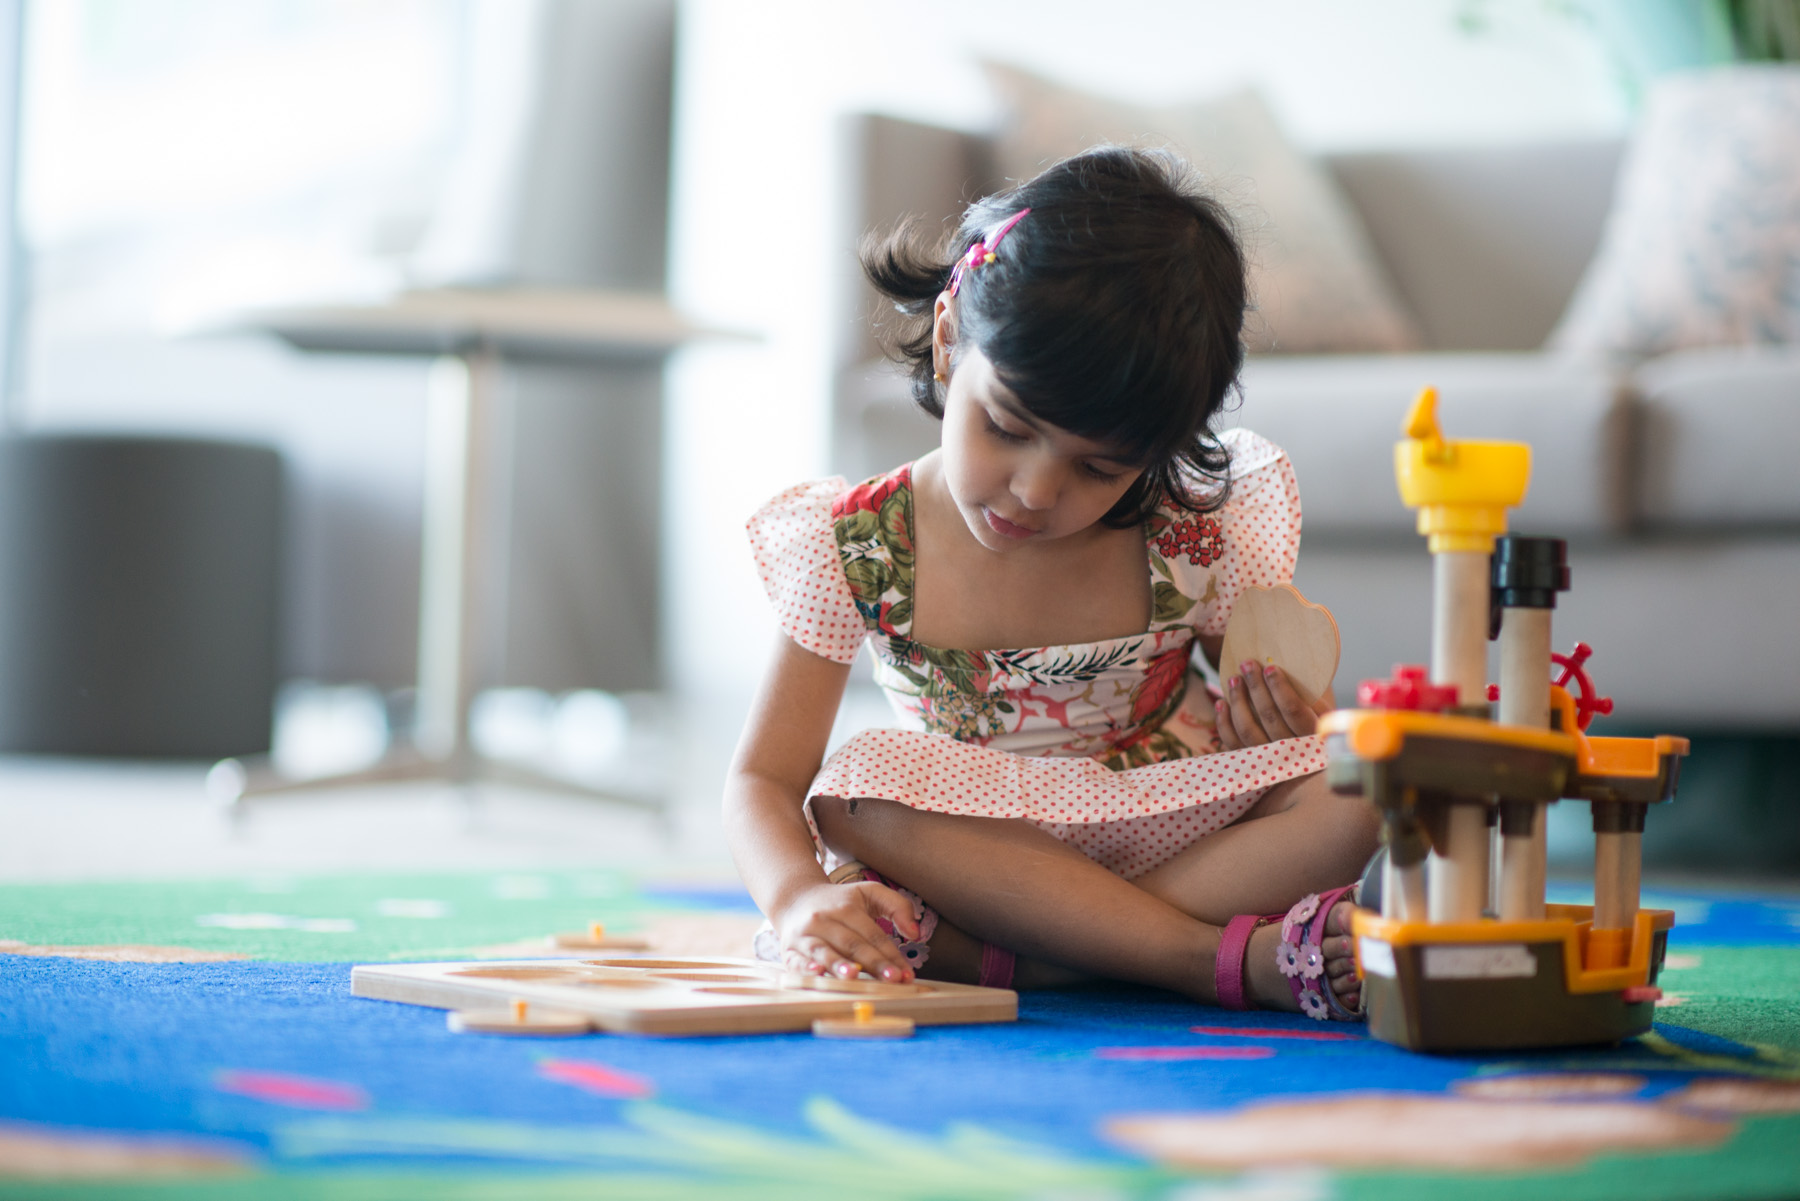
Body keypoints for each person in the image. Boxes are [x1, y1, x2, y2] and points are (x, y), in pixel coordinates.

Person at [724, 146, 1380, 1020]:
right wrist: (798, 898)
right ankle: (1206, 958)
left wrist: (1296, 719)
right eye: (1006, 425)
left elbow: (1297, 734)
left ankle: (1045, 955)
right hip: (982, 852)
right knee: (854, 791)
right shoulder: (859, 541)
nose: (1035, 491)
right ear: (952, 336)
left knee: (1367, 783)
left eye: (1100, 468)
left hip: (1166, 828)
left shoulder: (1191, 526)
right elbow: (763, 778)